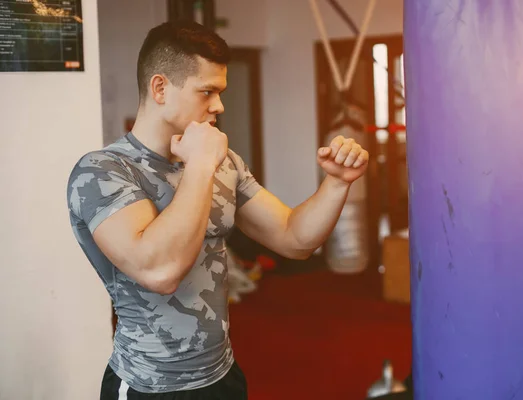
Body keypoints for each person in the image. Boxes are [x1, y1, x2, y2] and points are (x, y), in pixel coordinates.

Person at [67, 21, 369, 399]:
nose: (219, 105)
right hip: (149, 386)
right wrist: (200, 166)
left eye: (220, 92)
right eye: (207, 91)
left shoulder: (222, 163)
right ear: (160, 88)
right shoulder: (103, 171)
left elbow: (294, 239)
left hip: (223, 376)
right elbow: (159, 271)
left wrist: (338, 183)